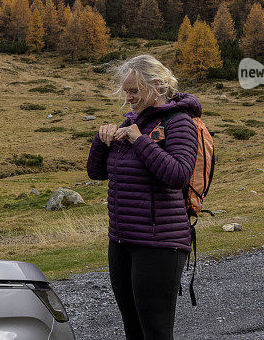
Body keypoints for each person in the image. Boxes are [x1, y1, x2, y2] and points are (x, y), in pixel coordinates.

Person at [87, 54, 200, 340]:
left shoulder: (180, 122)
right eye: (126, 91)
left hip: (159, 244)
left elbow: (178, 175)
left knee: (156, 332)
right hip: (122, 241)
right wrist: (101, 141)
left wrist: (140, 141)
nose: (128, 98)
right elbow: (96, 173)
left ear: (157, 85)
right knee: (133, 330)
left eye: (134, 91)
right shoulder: (134, 122)